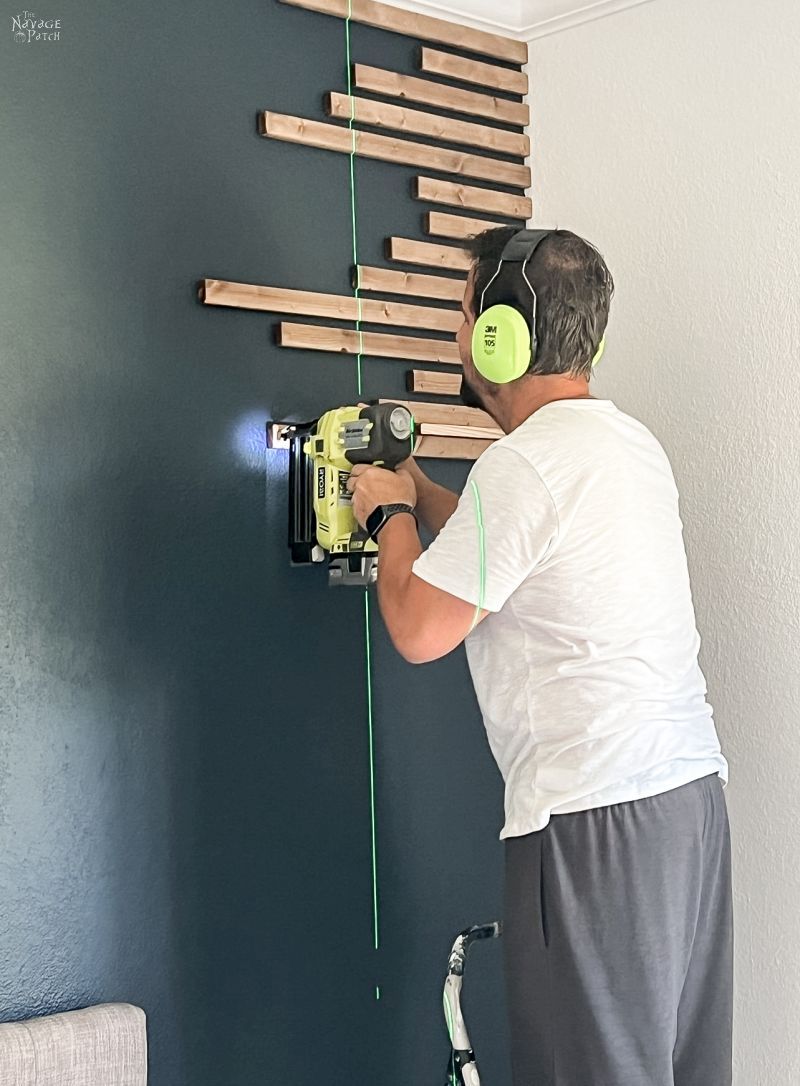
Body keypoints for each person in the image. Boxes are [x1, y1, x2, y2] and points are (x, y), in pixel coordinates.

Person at [346, 226, 732, 1086]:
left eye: (464, 309)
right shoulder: (626, 445)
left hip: (595, 826)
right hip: (687, 810)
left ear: (500, 335)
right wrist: (425, 496)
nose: (459, 332)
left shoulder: (524, 467)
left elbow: (417, 627)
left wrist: (387, 518)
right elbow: (520, 557)